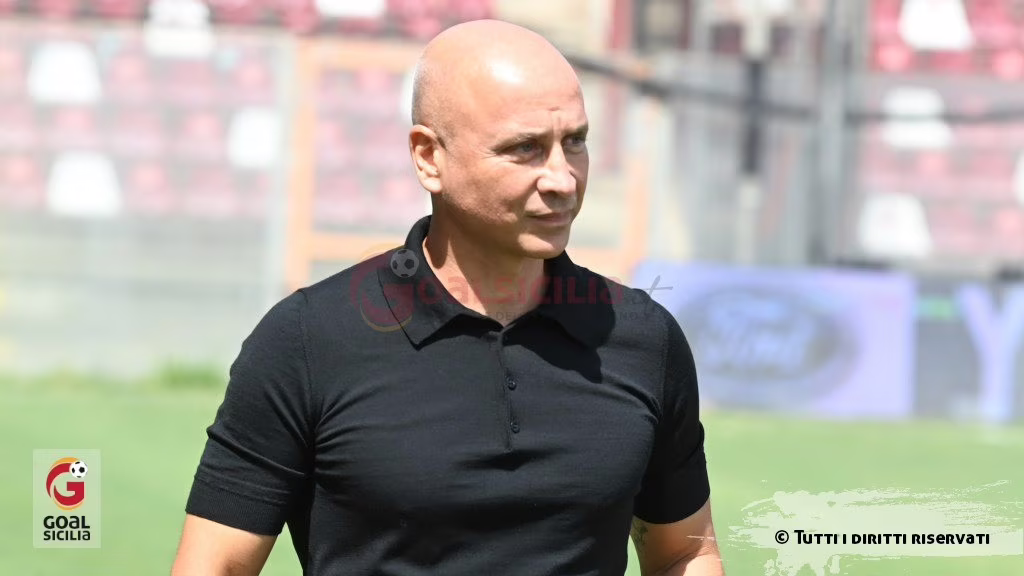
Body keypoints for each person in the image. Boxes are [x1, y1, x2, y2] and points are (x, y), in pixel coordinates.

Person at [171, 19, 723, 576]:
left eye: (574, 142)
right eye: (526, 148)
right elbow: (216, 566)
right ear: (428, 157)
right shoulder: (308, 340)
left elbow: (683, 552)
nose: (563, 179)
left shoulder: (642, 338)